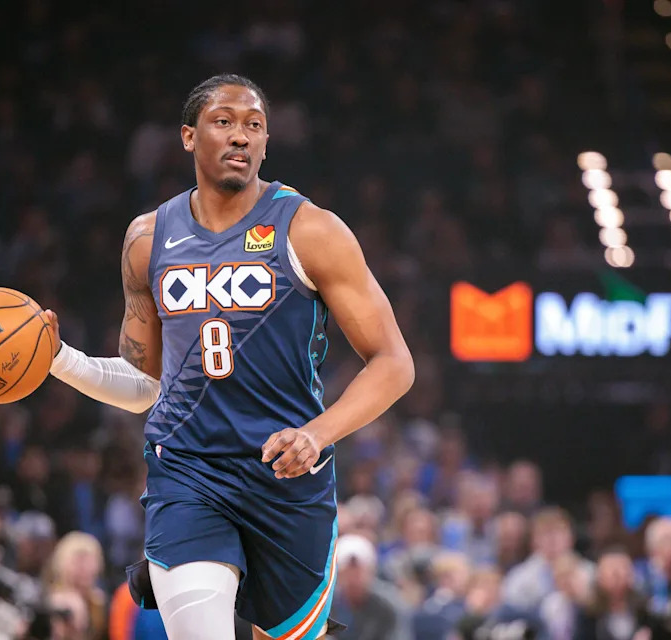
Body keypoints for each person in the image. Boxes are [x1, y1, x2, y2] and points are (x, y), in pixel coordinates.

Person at [44, 73, 414, 640]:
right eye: (224, 122)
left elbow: (393, 362)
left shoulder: (311, 229)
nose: (241, 136)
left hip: (287, 478)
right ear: (189, 137)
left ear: (266, 144)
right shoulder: (148, 238)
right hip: (188, 470)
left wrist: (317, 433)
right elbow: (147, 383)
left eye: (254, 125)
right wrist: (58, 359)